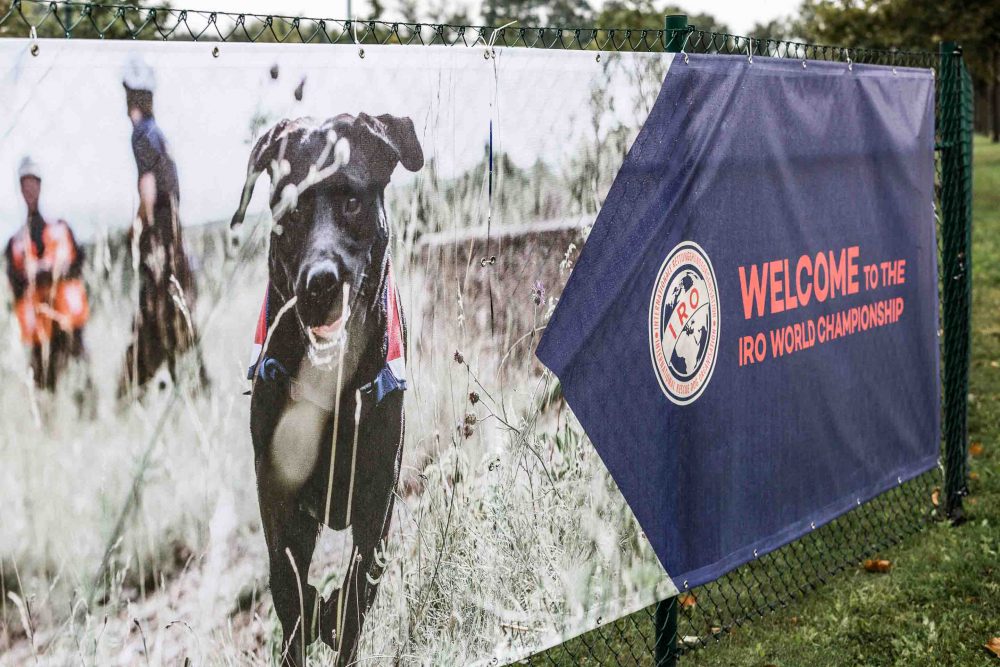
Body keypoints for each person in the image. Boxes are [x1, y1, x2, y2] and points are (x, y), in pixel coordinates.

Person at [119, 54, 208, 397]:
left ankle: (134, 389)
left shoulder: (141, 134)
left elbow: (148, 188)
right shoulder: (158, 135)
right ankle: (189, 384)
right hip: (173, 240)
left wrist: (136, 225)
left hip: (157, 243)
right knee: (174, 318)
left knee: (156, 317)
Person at [5, 156, 90, 391]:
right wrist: (37, 276)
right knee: (44, 386)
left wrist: (52, 273)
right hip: (40, 329)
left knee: (82, 378)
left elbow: (79, 263)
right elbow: (15, 283)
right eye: (25, 184)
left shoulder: (61, 229)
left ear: (40, 185)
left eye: (33, 182)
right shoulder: (15, 242)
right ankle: (49, 425)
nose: (29, 189)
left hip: (68, 321)